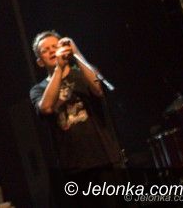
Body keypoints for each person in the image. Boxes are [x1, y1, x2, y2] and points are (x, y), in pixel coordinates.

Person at [29, 31, 124, 208]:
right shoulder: (38, 90)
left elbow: (98, 90)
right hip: (73, 166)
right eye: (45, 50)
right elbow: (46, 107)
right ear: (40, 61)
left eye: (55, 46)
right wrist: (58, 69)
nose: (51, 51)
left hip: (103, 158)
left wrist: (76, 53)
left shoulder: (82, 74)